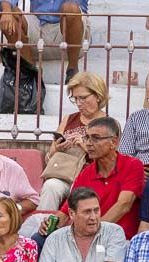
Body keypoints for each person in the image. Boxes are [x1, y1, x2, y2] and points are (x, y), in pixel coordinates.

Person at [45, 117, 144, 241]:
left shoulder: (132, 165)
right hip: (89, 238)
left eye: (96, 138)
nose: (88, 143)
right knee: (40, 238)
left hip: (119, 239)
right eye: (87, 138)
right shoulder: (86, 173)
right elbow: (67, 210)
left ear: (114, 142)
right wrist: (50, 225)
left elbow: (123, 205)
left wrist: (95, 232)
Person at [36, 71, 107, 212]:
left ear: (98, 96)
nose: (79, 104)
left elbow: (111, 160)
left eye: (83, 98)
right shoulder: (68, 119)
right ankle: (41, 227)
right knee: (51, 186)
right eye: (75, 99)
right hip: (64, 174)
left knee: (82, 193)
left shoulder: (108, 124)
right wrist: (57, 147)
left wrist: (85, 146)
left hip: (91, 178)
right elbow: (49, 157)